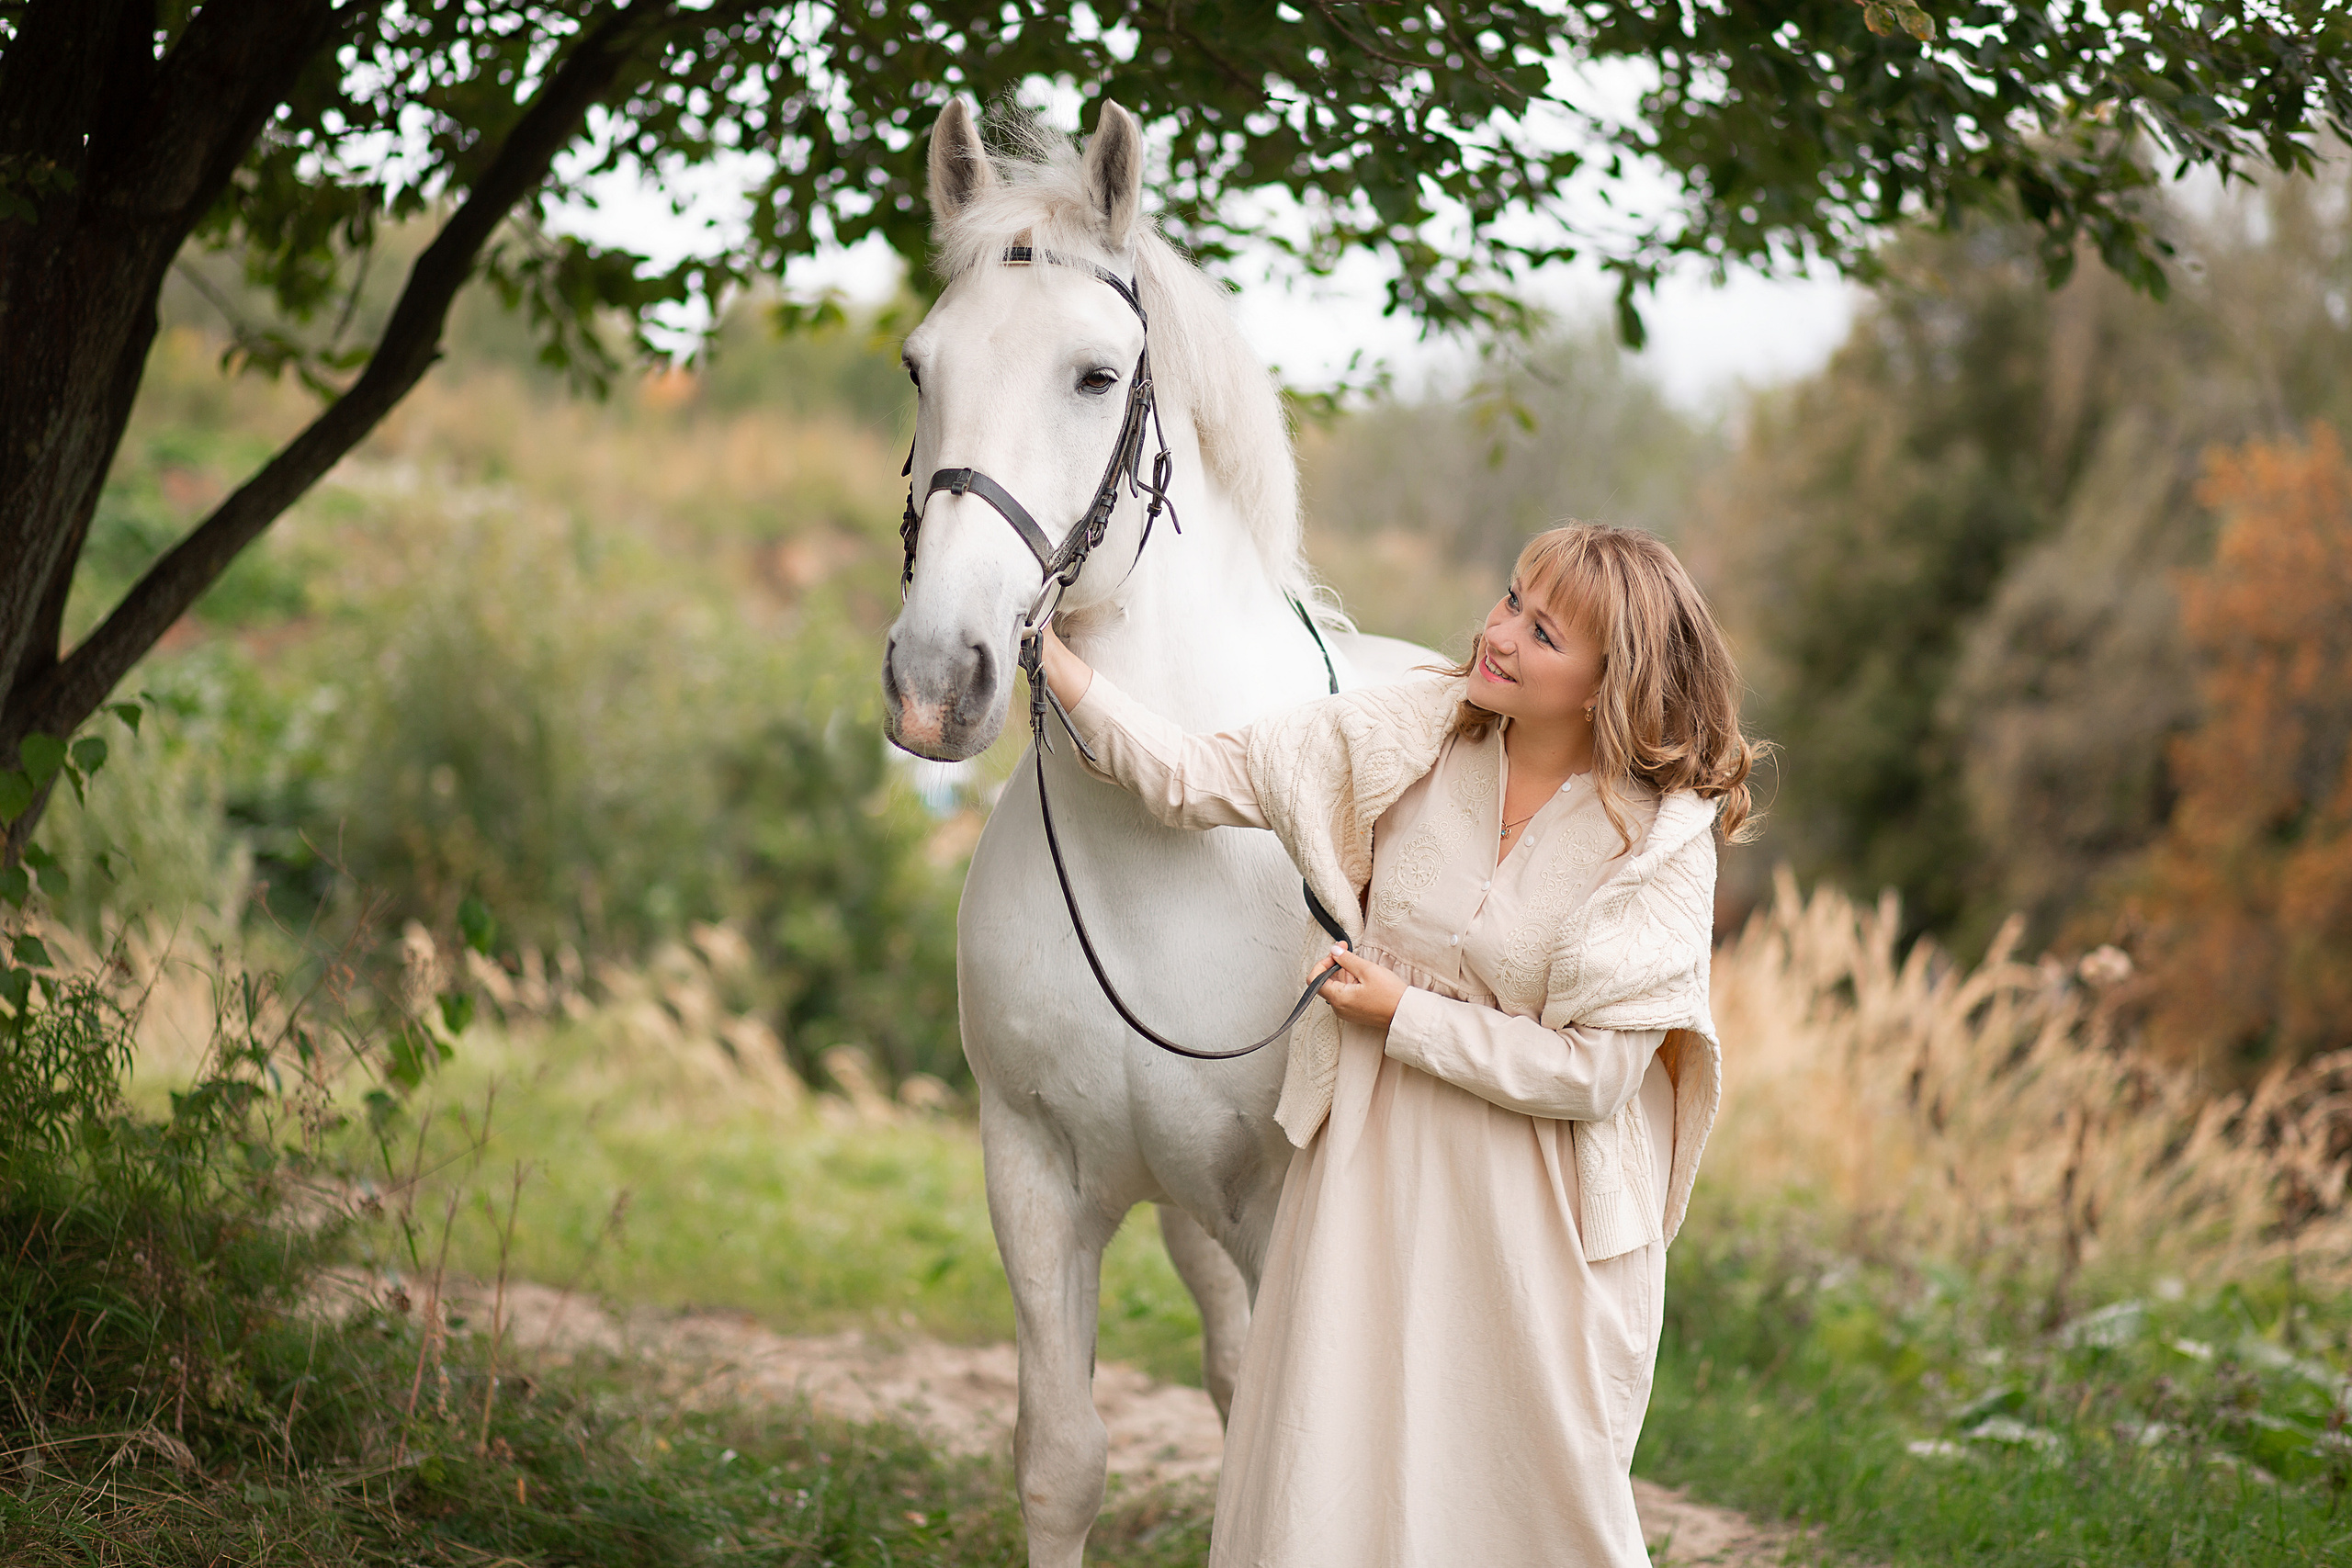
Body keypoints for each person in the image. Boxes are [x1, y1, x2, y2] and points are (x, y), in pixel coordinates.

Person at [1034, 522, 1762, 1567]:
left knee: (1526, 1508)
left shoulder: (1654, 842)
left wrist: (1403, 1016)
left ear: (1610, 682)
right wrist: (1051, 657)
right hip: (1367, 1182)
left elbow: (1597, 1078)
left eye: (1543, 633)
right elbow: (1194, 776)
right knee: (1334, 1472)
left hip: (1533, 1230)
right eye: (1511, 598)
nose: (1499, 634)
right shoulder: (1414, 733)